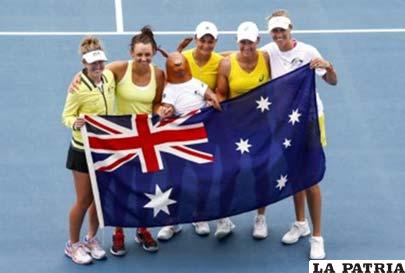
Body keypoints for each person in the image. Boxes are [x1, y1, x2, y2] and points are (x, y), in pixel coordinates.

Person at [261, 10, 337, 259]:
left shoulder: (307, 51)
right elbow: (240, 56)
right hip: (285, 123)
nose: (279, 35)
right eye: (275, 31)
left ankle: (317, 237)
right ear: (270, 32)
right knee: (294, 173)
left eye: (282, 30)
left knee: (310, 177)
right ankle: (300, 223)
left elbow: (332, 81)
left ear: (290, 28)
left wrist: (328, 66)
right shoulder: (269, 52)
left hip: (310, 120)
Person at [157, 21, 232, 240]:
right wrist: (167, 107)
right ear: (196, 39)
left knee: (202, 174)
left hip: (205, 129)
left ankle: (200, 215)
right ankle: (172, 221)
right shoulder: (185, 58)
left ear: (215, 42)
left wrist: (213, 100)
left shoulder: (221, 62)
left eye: (210, 41)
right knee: (174, 176)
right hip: (177, 132)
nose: (206, 44)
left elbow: (220, 92)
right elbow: (171, 73)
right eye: (202, 40)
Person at [106, 26, 165, 256]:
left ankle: (142, 229)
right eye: (139, 54)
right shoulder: (119, 69)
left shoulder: (158, 75)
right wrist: (76, 78)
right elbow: (93, 74)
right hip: (120, 137)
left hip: (145, 138)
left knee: (145, 187)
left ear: (154, 54)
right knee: (120, 187)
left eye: (147, 55)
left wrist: (163, 109)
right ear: (131, 52)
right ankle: (118, 232)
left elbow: (156, 103)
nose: (143, 58)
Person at [215, 21, 271, 240]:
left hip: (261, 126)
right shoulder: (227, 64)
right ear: (238, 42)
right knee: (229, 171)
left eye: (251, 41)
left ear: (258, 41)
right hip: (235, 127)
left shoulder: (266, 58)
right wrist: (214, 100)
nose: (247, 46)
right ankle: (224, 218)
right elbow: (221, 93)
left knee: (261, 172)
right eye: (243, 41)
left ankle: (260, 218)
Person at [62, 36, 114, 264]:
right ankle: (72, 246)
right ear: (84, 63)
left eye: (101, 62)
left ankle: (91, 238)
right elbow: (66, 115)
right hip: (82, 150)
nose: (98, 67)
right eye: (93, 64)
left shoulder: (109, 77)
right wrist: (75, 123)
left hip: (104, 148)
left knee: (98, 199)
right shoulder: (77, 89)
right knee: (83, 200)